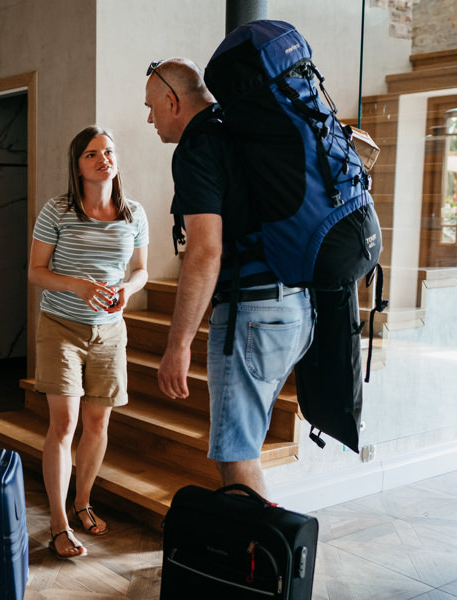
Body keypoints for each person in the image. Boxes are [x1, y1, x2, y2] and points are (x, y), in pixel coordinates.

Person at [145, 58, 314, 497]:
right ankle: (258, 552)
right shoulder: (239, 129)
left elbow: (205, 251)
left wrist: (178, 344)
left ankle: (257, 560)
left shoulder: (198, 146)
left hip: (253, 311)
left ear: (172, 100)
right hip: (295, 305)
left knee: (236, 454)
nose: (149, 118)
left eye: (151, 106)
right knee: (245, 444)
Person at [28, 126, 149, 559]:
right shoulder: (57, 210)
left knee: (97, 425)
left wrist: (128, 291)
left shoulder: (133, 213)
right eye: (93, 153)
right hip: (61, 326)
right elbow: (36, 272)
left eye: (109, 151)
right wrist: (77, 286)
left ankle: (83, 503)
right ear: (77, 166)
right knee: (63, 424)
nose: (104, 159)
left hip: (111, 331)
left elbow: (141, 270)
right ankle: (59, 524)